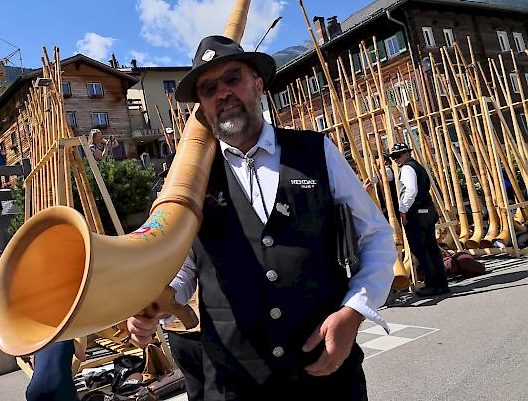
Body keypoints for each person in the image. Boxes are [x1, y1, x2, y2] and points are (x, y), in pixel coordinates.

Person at [127, 35, 397, 400]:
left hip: (324, 374)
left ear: (258, 85)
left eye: (232, 79)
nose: (222, 93)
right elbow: (186, 268)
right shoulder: (190, 181)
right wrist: (157, 304)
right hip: (234, 381)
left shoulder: (316, 152)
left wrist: (354, 312)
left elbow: (376, 237)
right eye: (209, 88)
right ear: (202, 106)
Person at [388, 143, 449, 297]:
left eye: (398, 155)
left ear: (407, 154)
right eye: (393, 157)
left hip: (417, 212)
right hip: (426, 210)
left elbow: (411, 190)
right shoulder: (416, 166)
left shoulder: (408, 169)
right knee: (432, 248)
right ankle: (442, 283)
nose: (395, 159)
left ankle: (432, 285)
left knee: (421, 250)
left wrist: (403, 209)